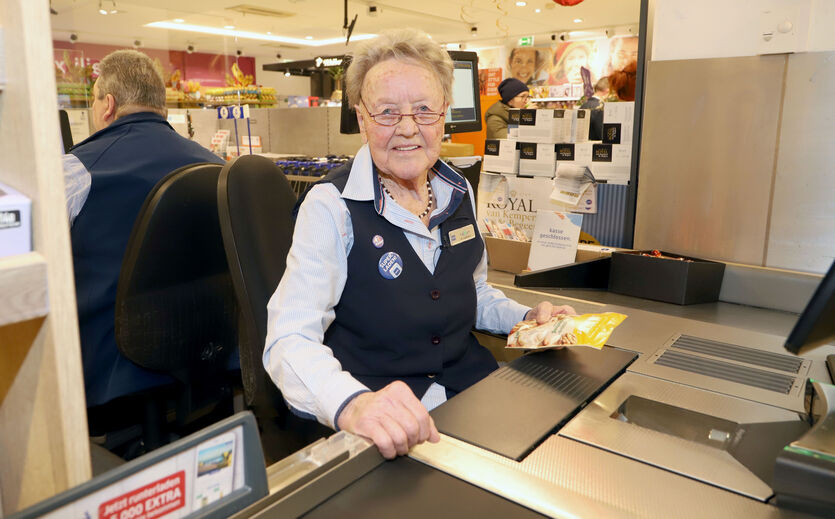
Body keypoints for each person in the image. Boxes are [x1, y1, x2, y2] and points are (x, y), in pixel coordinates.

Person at [263, 29, 574, 459]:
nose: (407, 129)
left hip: (474, 398)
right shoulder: (331, 207)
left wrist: (527, 319)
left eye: (424, 110)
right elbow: (288, 337)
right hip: (389, 427)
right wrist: (354, 405)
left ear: (443, 113)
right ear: (361, 117)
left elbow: (473, 291)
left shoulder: (458, 189)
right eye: (387, 112)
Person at [63, 50, 224, 411]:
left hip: (106, 370)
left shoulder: (74, 171)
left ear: (107, 105)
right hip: (205, 358)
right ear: (161, 106)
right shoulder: (218, 166)